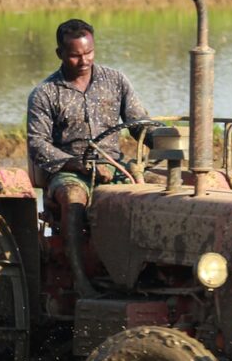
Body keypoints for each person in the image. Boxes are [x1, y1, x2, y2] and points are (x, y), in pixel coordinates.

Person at [27, 19, 147, 297]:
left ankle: (139, 275)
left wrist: (164, 140)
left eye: (89, 53)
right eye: (75, 55)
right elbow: (38, 144)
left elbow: (139, 122)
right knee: (73, 198)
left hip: (114, 166)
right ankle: (81, 280)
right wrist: (75, 164)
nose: (84, 60)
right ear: (60, 54)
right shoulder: (46, 93)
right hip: (69, 171)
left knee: (153, 191)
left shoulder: (115, 81)